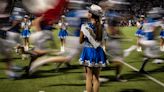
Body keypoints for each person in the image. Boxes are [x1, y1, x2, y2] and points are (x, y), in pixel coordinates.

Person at [79, 4, 107, 92]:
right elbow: (102, 41)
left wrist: (86, 36)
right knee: (96, 78)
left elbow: (80, 41)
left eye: (89, 11)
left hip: (88, 51)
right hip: (99, 52)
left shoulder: (84, 26)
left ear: (91, 14)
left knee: (88, 77)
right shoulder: (103, 27)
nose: (87, 13)